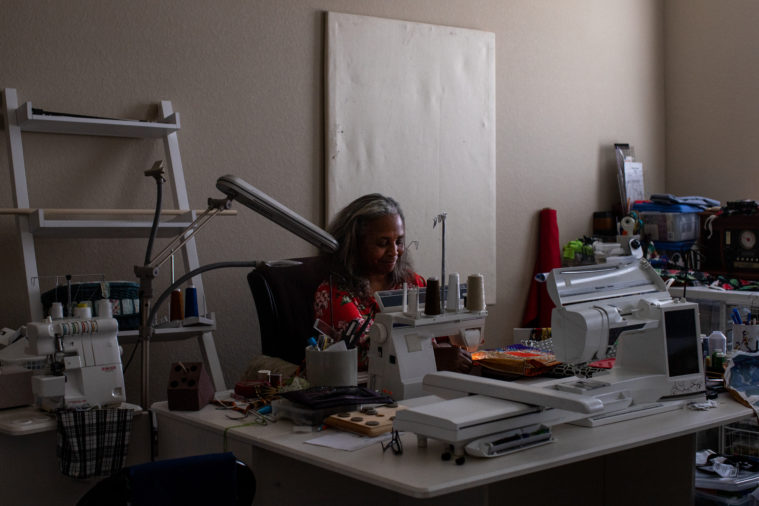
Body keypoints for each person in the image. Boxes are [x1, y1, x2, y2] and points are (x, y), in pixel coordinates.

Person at [313, 193, 472, 373]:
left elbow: (443, 336)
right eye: (383, 243)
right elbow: (363, 355)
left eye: (399, 242)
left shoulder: (413, 283)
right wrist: (430, 358)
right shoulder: (334, 294)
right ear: (355, 244)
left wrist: (460, 345)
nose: (394, 252)